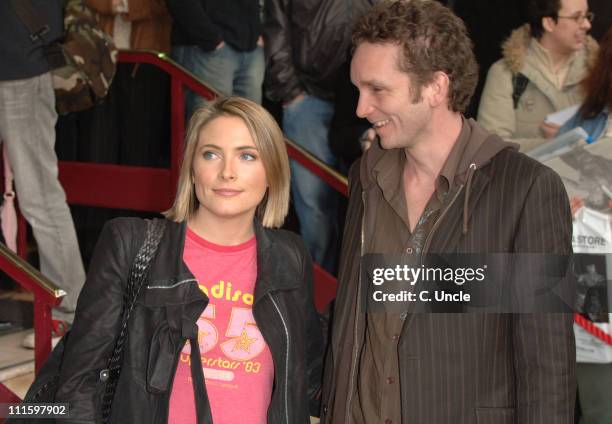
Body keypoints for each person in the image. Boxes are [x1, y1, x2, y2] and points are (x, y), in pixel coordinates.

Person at [320, 1, 575, 423]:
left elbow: (546, 367)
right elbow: (353, 318)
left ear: (436, 87)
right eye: (358, 89)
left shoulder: (527, 189)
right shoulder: (367, 175)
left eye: (378, 89)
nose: (361, 109)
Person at [54, 97, 323, 423]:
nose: (227, 172)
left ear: (272, 174)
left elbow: (307, 377)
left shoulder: (289, 256)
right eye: (211, 154)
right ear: (192, 170)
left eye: (247, 156)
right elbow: (79, 381)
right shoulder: (131, 243)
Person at [263, 0, 376, 273]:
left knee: (365, 205)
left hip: (368, 98)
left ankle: (350, 296)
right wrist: (291, 93)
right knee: (316, 209)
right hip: (309, 99)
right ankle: (316, 295)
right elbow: (276, 26)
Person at [0, 1, 86, 325]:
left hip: (21, 64)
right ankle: (71, 310)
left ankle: (71, 311)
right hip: (19, 58)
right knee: (41, 198)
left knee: (40, 197)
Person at [478, 0, 598, 152]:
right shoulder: (506, 73)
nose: (587, 25)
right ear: (549, 23)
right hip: (529, 175)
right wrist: (556, 142)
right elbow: (491, 148)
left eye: (587, 16)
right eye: (577, 18)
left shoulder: (599, 71)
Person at [168, 0, 265, 119]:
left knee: (251, 127)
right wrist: (211, 38)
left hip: (250, 46)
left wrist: (258, 30)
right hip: (205, 49)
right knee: (209, 126)